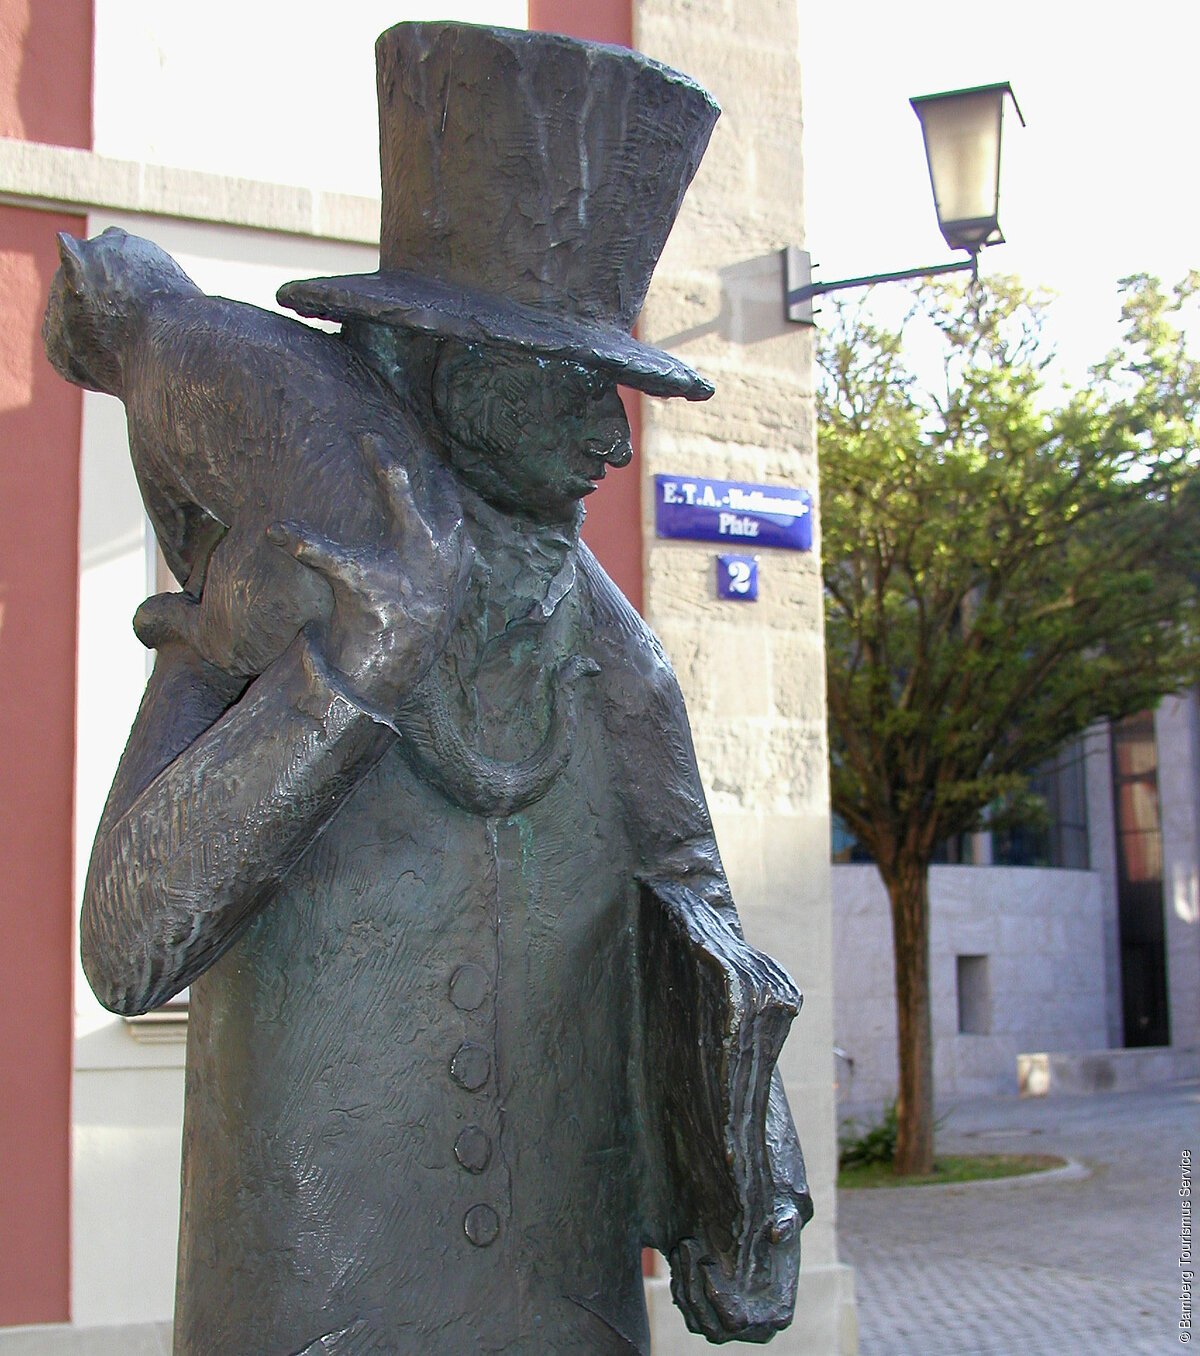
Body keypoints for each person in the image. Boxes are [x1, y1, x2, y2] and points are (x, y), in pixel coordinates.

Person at [78, 23, 810, 1353]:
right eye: (576, 384)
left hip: (566, 1307)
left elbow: (703, 937)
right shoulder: (270, 594)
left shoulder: (620, 665)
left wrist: (750, 1184)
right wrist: (343, 679)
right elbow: (129, 950)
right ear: (442, 361)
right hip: (311, 1306)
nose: (611, 442)